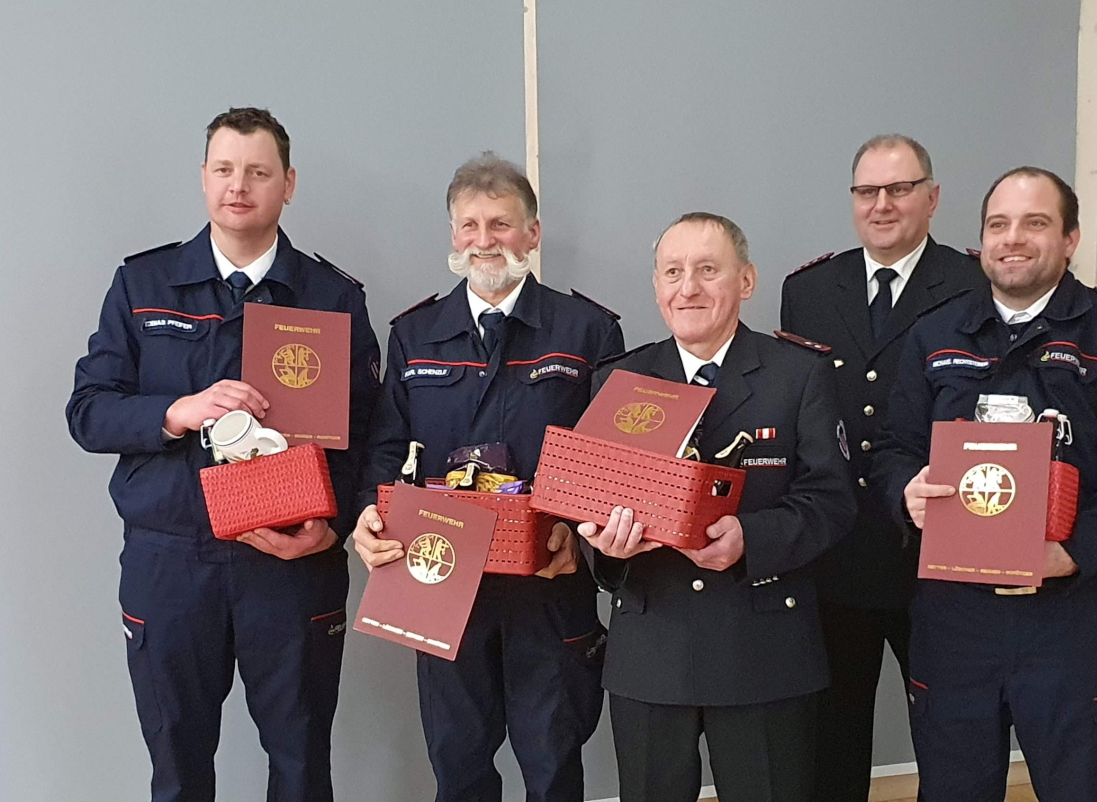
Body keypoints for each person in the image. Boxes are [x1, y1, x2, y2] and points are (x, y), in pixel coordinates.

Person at [66, 107, 381, 802]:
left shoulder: (332, 297)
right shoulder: (142, 285)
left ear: (288, 184)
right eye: (224, 170)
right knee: (177, 768)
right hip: (171, 561)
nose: (239, 186)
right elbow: (87, 412)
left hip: (292, 565)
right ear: (203, 178)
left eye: (258, 172)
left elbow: (369, 435)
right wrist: (177, 411)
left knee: (301, 766)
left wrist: (336, 528)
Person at [871, 167, 1097, 802]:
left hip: (1071, 617)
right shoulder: (934, 334)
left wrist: (1070, 554)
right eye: (998, 225)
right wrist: (905, 492)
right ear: (981, 240)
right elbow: (894, 448)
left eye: (1034, 223)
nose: (1012, 239)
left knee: (1079, 788)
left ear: (1069, 239)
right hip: (953, 619)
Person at [350, 153, 624, 802]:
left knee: (553, 766)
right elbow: (386, 448)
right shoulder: (414, 334)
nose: (484, 240)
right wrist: (368, 513)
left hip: (547, 585)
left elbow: (612, 462)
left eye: (500, 224)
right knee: (458, 768)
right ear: (452, 233)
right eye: (469, 225)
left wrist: (576, 531)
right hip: (441, 582)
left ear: (532, 232)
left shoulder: (586, 330)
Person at [580, 212, 856, 802]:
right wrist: (605, 545)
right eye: (673, 272)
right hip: (652, 651)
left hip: (762, 652)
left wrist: (751, 538)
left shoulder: (798, 375)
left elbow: (832, 501)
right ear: (656, 286)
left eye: (708, 270)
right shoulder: (619, 380)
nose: (689, 288)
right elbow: (591, 506)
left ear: (746, 280)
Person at [779, 133, 986, 801]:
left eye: (899, 189)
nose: (882, 204)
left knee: (952, 737)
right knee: (833, 739)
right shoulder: (809, 289)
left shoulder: (974, 283)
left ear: (933, 197)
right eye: (867, 191)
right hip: (837, 551)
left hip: (939, 553)